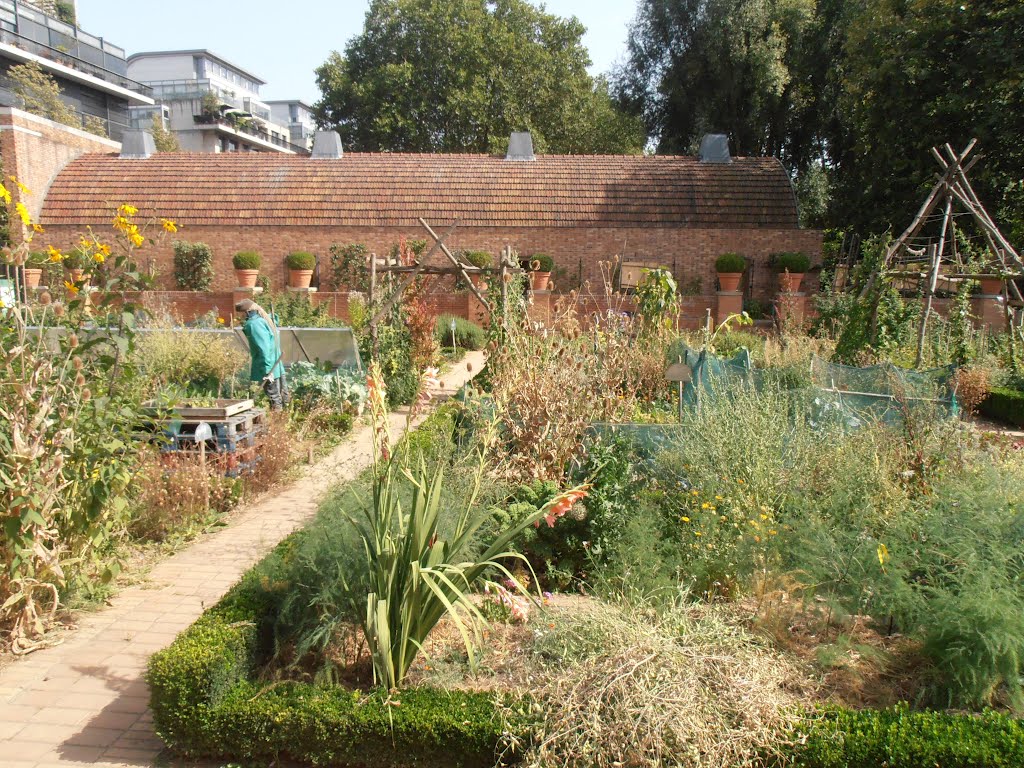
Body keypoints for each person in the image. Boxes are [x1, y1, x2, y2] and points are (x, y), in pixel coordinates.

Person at [236, 298, 287, 410]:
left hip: (268, 367)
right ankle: (283, 423)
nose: (239, 317)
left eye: (240, 314)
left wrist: (267, 371)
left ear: (246, 312)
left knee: (274, 400)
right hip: (276, 366)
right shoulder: (265, 320)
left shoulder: (254, 324)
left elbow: (263, 348)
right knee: (282, 399)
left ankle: (276, 425)